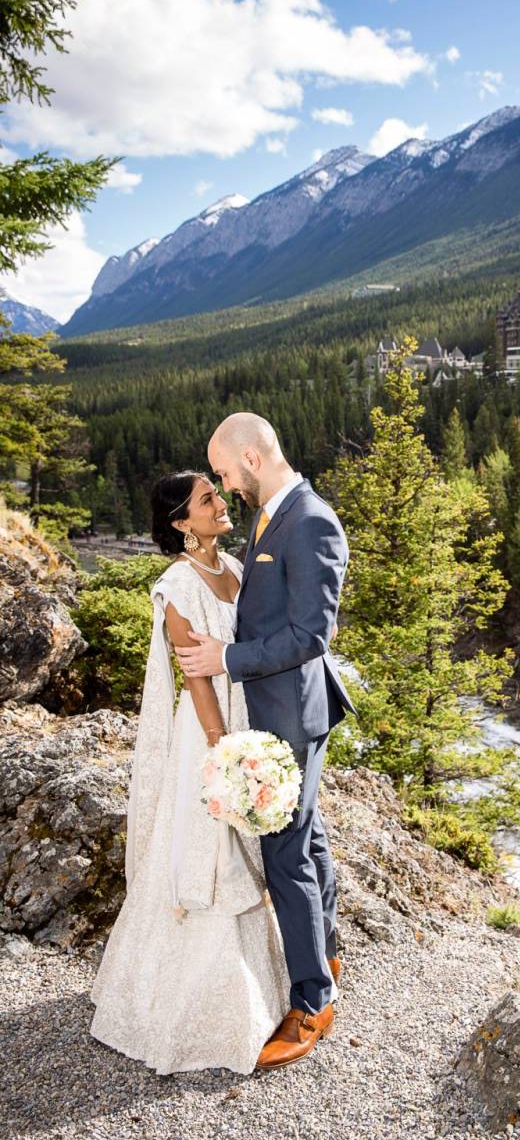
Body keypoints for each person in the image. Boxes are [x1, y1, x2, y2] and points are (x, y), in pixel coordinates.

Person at [90, 470, 291, 1075]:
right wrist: (223, 754)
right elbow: (194, 676)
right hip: (212, 730)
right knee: (209, 851)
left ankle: (267, 987)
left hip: (251, 715)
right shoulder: (179, 584)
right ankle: (182, 1007)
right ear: (181, 523)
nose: (220, 501)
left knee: (248, 853)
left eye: (216, 491)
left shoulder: (232, 565)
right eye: (207, 498)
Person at [175, 413, 355, 1071]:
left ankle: (312, 1002)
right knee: (307, 839)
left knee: (286, 853)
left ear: (251, 456)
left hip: (293, 716)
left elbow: (312, 636)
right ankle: (327, 953)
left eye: (224, 471)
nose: (224, 484)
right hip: (282, 710)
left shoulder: (311, 521)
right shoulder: (272, 515)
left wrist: (227, 659)